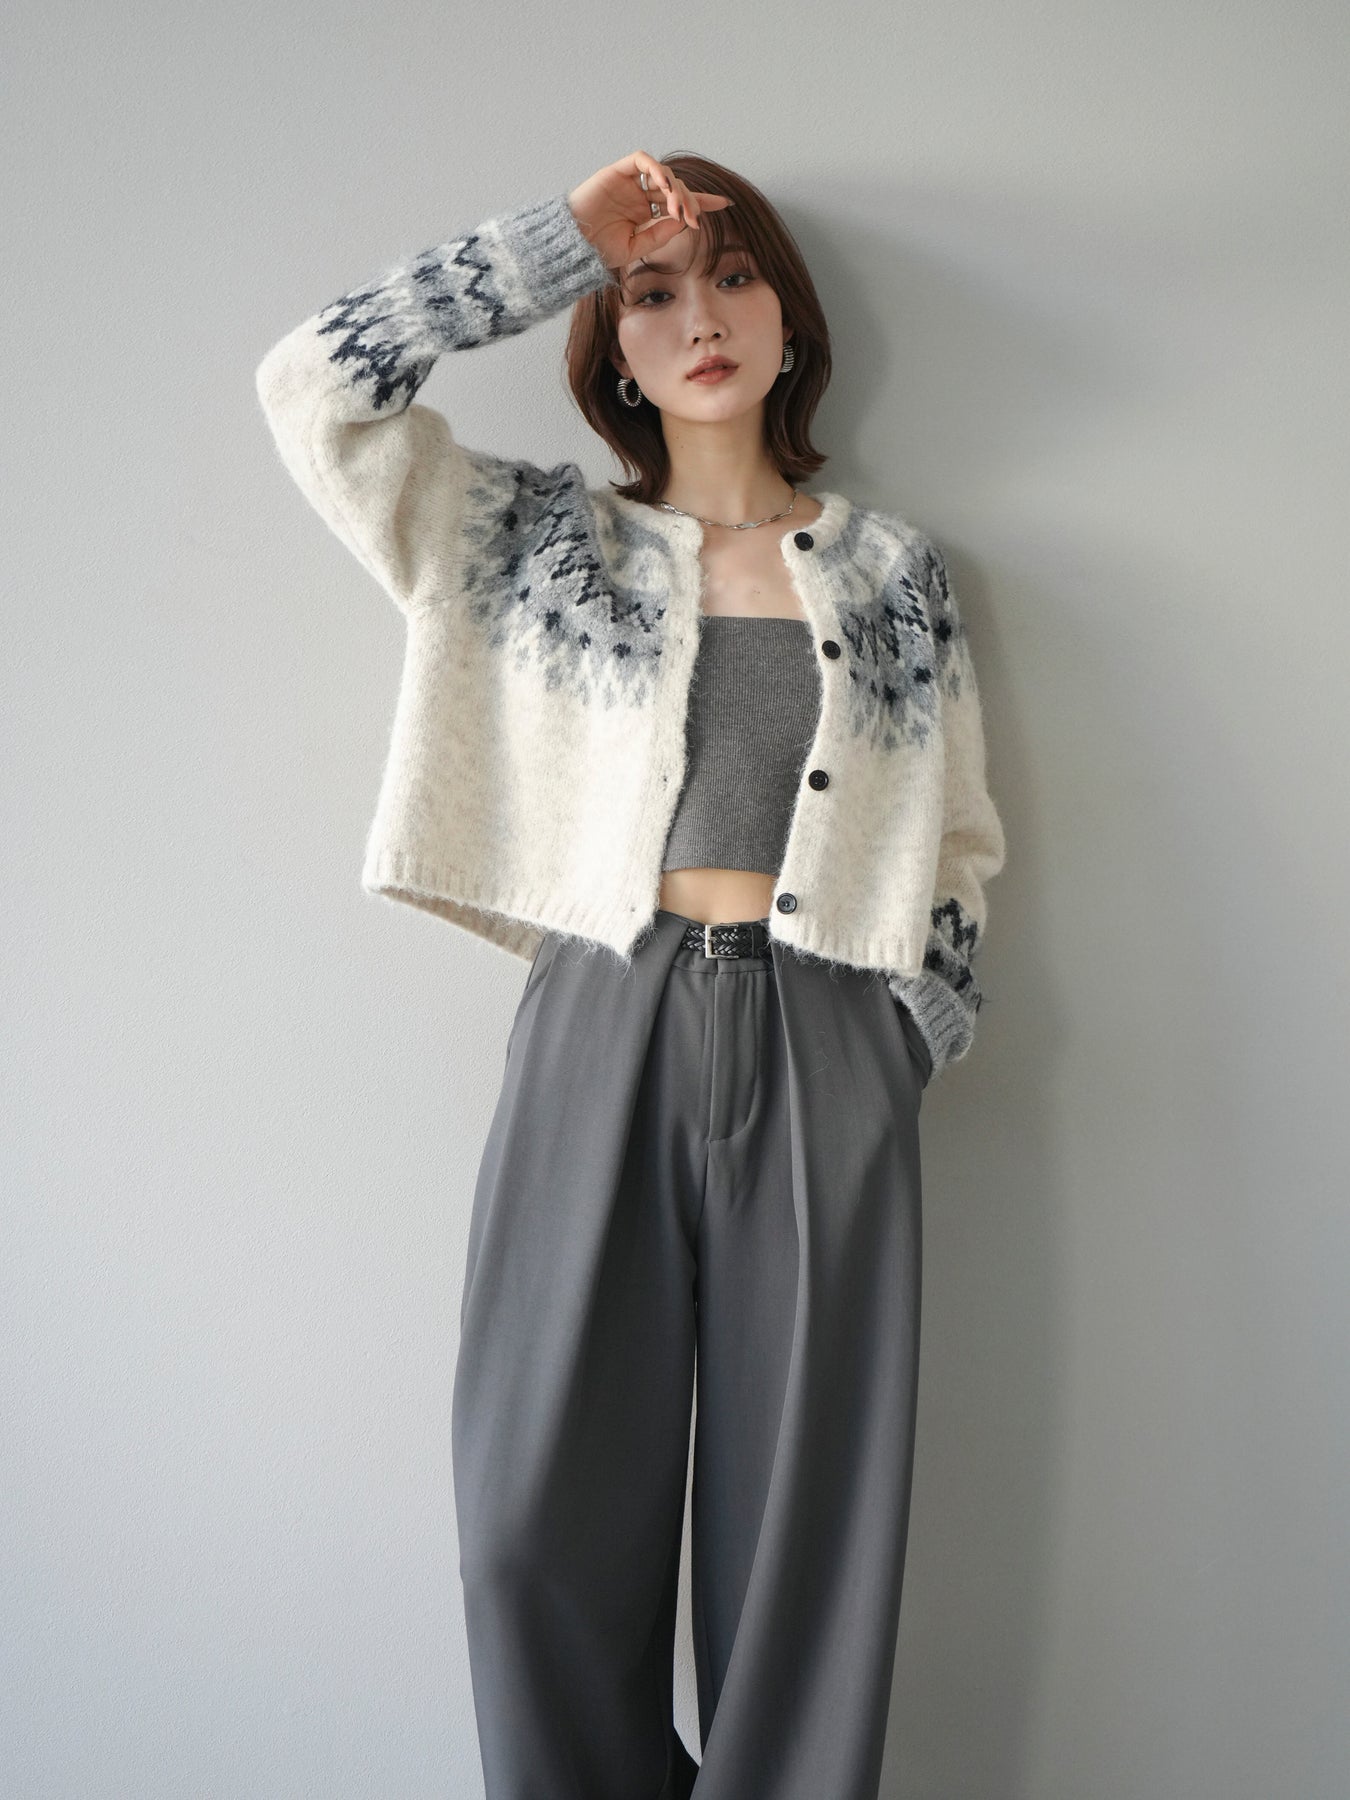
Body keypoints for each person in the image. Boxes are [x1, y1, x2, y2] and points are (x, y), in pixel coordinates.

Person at [255, 146, 1006, 1800]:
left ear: (790, 323)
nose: (701, 320)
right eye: (652, 294)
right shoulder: (528, 539)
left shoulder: (892, 575)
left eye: (733, 279)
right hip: (604, 1010)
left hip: (829, 1033)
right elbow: (312, 387)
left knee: (804, 1545)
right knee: (527, 1522)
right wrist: (558, 241)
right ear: (608, 349)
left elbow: (956, 838)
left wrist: (905, 1033)